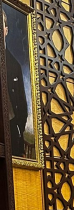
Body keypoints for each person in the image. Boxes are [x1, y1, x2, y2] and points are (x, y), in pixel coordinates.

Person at [3, 9, 28, 160]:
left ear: (6, 30)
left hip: (11, 128)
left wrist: (19, 134)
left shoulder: (15, 65)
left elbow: (22, 106)